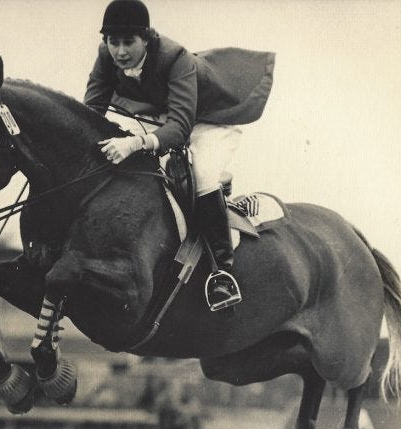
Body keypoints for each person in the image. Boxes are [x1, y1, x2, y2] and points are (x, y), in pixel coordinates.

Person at [84, 0, 274, 311]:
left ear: (146, 38)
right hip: (163, 117)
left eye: (128, 42)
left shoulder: (177, 60)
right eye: (113, 42)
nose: (120, 51)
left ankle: (222, 273)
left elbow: (181, 128)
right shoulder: (106, 56)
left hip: (210, 119)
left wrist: (135, 144)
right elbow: (91, 112)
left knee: (200, 174)